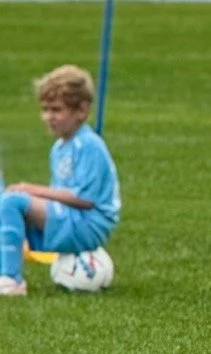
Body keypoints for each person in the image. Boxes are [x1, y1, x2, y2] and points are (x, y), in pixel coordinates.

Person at [0, 65, 121, 296]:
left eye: (56, 110)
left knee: (13, 202)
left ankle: (12, 281)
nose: (48, 117)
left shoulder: (89, 144)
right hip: (72, 219)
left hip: (88, 224)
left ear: (82, 110)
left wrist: (29, 189)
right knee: (5, 204)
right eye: (45, 110)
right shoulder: (59, 147)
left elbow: (84, 199)